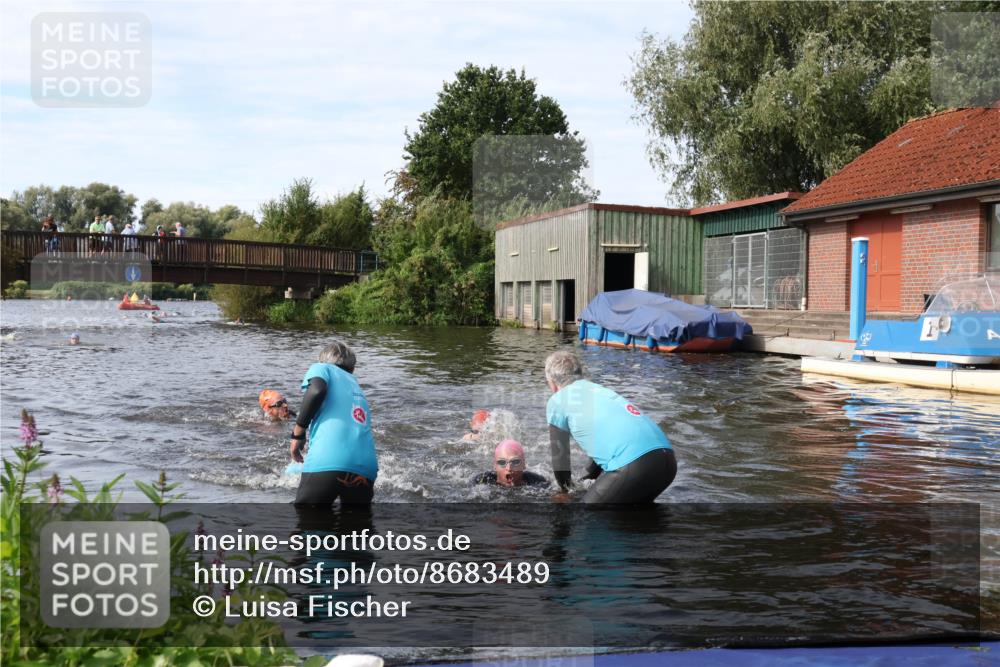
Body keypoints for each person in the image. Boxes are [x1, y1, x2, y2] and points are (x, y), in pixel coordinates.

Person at [544, 350, 676, 504]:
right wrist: (587, 481)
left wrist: (566, 491)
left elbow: (560, 460)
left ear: (552, 383)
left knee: (583, 517)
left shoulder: (557, 400)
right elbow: (604, 442)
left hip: (635, 466)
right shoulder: (599, 390)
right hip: (667, 461)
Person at [290, 341, 377, 506]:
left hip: (328, 462)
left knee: (308, 524)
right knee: (356, 528)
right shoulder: (356, 386)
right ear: (352, 368)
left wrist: (298, 434)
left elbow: (316, 390)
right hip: (366, 468)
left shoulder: (322, 368)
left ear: (324, 360)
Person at [473, 439, 549, 488]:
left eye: (515, 462)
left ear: (523, 465)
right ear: (495, 465)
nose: (509, 468)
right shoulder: (483, 481)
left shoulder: (537, 481)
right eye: (502, 462)